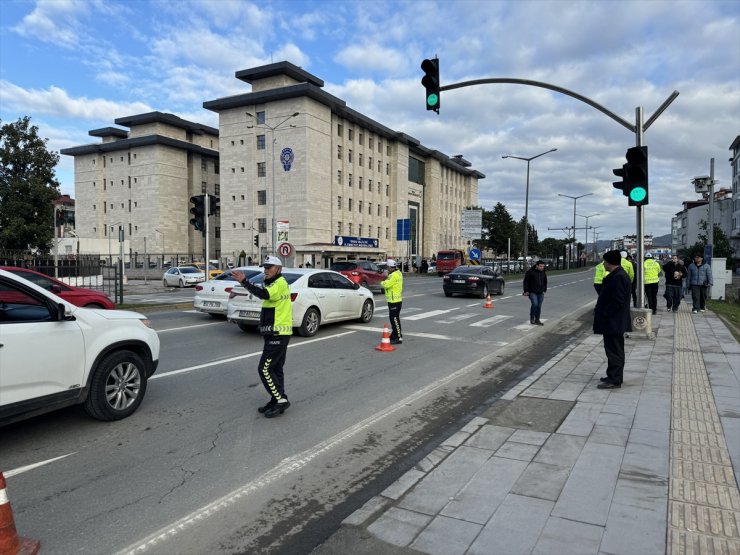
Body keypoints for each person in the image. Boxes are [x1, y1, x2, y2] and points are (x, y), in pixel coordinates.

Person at [232, 256, 293, 418]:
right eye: (265, 267)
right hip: (275, 332)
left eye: (269, 267)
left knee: (264, 369)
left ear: (278, 269)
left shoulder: (279, 284)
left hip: (278, 333)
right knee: (275, 369)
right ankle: (277, 398)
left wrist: (245, 281)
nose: (266, 270)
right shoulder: (273, 282)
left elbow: (264, 294)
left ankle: (280, 400)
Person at [594, 250, 632, 389]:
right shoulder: (617, 275)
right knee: (612, 349)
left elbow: (617, 301)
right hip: (613, 320)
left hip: (614, 321)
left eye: (604, 261)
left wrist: (605, 313)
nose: (603, 264)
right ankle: (612, 375)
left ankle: (615, 379)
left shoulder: (619, 277)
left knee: (615, 350)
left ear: (610, 263)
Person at [380, 258, 403, 344]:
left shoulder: (394, 275)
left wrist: (382, 282)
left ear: (390, 267)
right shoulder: (398, 273)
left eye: (387, 267)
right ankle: (396, 334)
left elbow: (386, 285)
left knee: (394, 319)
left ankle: (398, 337)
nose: (387, 269)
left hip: (395, 301)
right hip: (395, 300)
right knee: (394, 318)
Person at [523, 260, 547, 325]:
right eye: (541, 266)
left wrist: (544, 289)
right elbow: (526, 282)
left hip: (540, 292)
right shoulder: (530, 272)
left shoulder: (543, 272)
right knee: (535, 304)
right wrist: (526, 291)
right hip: (532, 292)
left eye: (543, 266)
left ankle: (537, 319)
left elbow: (545, 281)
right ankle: (532, 318)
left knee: (539, 306)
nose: (542, 267)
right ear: (537, 266)